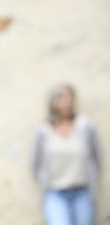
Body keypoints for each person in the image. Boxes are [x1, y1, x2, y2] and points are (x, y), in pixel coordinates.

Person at [31, 84, 102, 225]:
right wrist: (44, 182)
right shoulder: (43, 131)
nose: (68, 101)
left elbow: (97, 158)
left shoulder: (86, 126)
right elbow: (35, 163)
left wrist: (93, 183)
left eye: (71, 97)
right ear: (54, 102)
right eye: (63, 97)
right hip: (55, 194)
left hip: (82, 193)